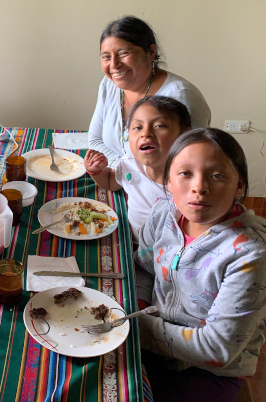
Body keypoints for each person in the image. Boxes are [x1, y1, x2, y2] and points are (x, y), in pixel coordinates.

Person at [135, 128, 266, 401]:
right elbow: (144, 267)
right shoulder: (164, 212)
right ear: (168, 180)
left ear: (239, 185)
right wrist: (137, 306)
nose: (199, 187)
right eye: (185, 173)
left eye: (217, 175)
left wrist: (134, 328)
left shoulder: (249, 254)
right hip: (152, 336)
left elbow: (218, 349)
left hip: (207, 371)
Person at [88, 15, 211, 167]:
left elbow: (192, 161)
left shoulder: (181, 95)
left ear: (151, 52)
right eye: (106, 57)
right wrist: (123, 174)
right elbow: (95, 140)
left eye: (123, 53)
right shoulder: (109, 84)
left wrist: (130, 177)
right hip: (115, 179)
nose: (114, 64)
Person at [84, 95, 191, 235]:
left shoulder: (192, 182)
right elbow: (111, 182)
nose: (146, 133)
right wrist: (96, 171)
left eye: (159, 126)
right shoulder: (130, 165)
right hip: (133, 245)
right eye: (137, 127)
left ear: (184, 135)